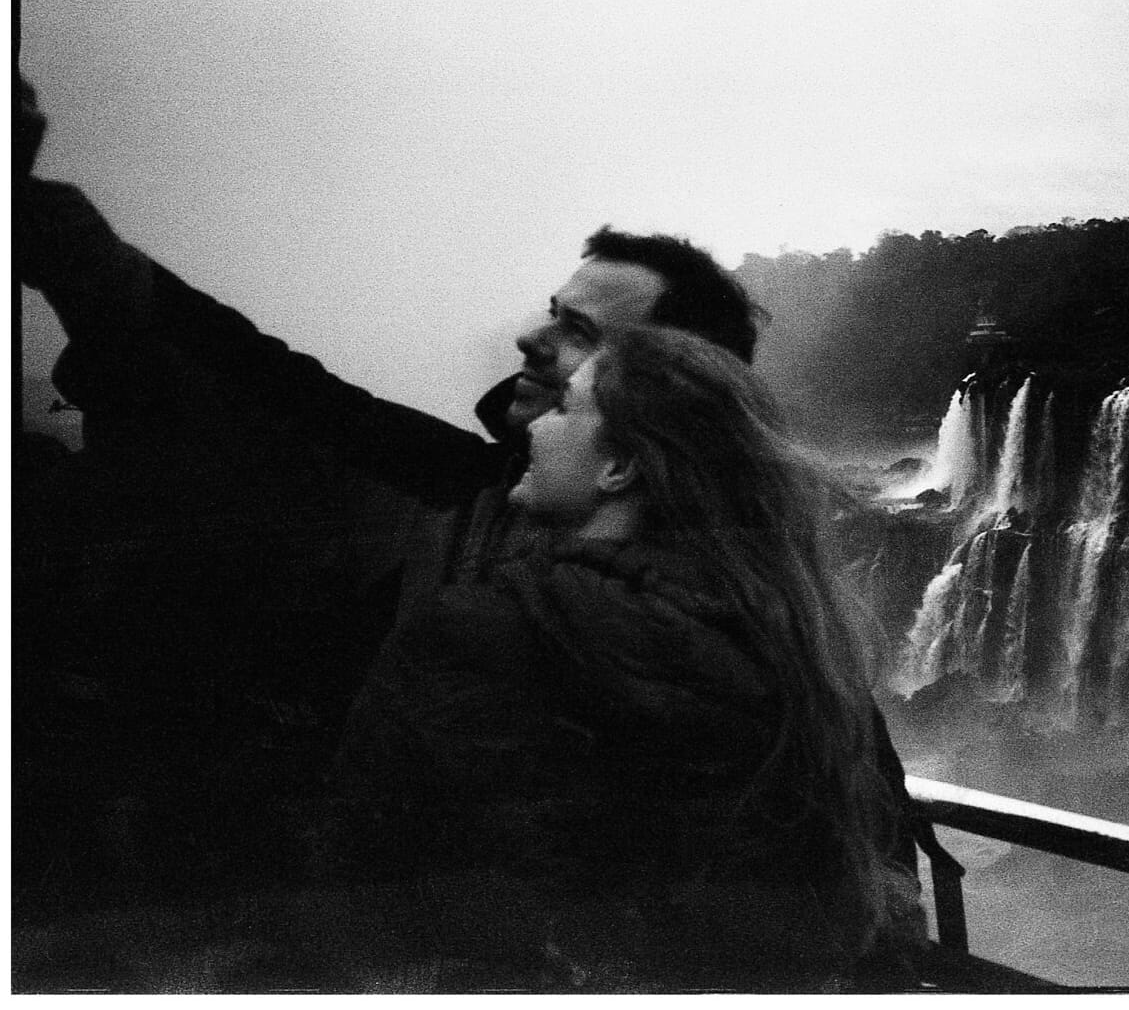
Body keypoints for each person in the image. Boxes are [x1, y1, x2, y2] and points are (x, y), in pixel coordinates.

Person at [12, 81, 922, 934]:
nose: (530, 336)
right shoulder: (486, 497)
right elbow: (279, 383)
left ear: (661, 388)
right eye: (551, 309)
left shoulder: (757, 621)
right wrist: (80, 253)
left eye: (579, 334)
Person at [311, 326, 925, 991]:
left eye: (564, 408)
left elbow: (360, 882)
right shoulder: (805, 654)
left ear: (618, 468)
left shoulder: (478, 631)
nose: (537, 428)